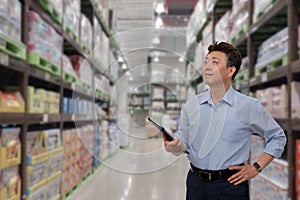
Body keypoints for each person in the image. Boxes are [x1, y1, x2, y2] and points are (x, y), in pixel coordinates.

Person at [163, 42, 287, 200]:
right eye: (206, 62)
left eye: (215, 62)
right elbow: (183, 143)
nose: (207, 67)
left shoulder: (248, 106)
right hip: (195, 184)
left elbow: (277, 137)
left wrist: (256, 167)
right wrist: (173, 147)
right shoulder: (192, 106)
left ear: (230, 71)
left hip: (229, 185)